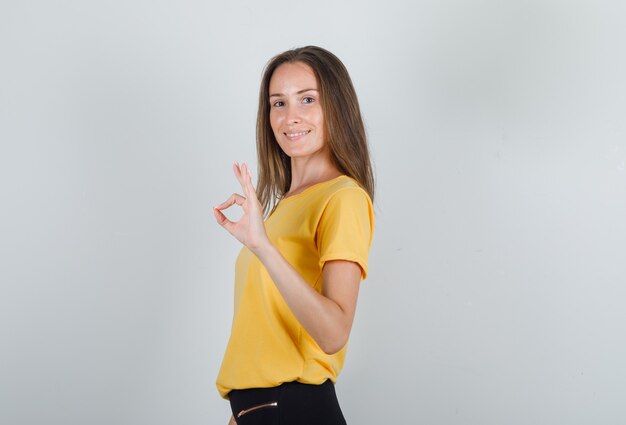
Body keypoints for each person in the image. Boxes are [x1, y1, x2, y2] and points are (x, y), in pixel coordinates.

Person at [213, 46, 375, 425]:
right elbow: (260, 335)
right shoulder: (282, 208)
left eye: (307, 99)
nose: (291, 117)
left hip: (294, 411)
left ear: (336, 107)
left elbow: (334, 333)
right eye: (278, 103)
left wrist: (263, 247)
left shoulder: (343, 197)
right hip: (258, 412)